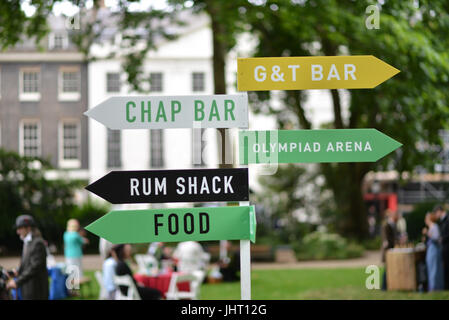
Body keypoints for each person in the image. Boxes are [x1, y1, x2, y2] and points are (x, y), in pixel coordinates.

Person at [6, 215, 49, 300]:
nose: (18, 232)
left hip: (36, 289)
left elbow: (34, 267)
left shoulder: (38, 243)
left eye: (20, 228)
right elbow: (26, 263)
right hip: (28, 287)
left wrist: (17, 281)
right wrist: (17, 271)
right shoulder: (27, 242)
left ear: (28, 228)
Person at [424, 212, 444, 291]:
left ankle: (435, 287)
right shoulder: (432, 227)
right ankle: (432, 286)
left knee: (434, 269)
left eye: (426, 218)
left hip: (434, 250)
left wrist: (428, 234)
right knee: (431, 268)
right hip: (431, 249)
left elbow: (436, 238)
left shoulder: (434, 227)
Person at [381, 209, 399, 290]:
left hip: (392, 250)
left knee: (390, 268)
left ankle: (389, 285)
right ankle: (384, 286)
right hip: (388, 251)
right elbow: (385, 238)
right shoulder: (387, 225)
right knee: (387, 269)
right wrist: (386, 243)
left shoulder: (393, 224)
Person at [435, 205, 449, 290]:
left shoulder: (447, 220)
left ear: (440, 211)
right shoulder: (442, 221)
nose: (436, 215)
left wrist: (442, 239)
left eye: (436, 212)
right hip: (444, 247)